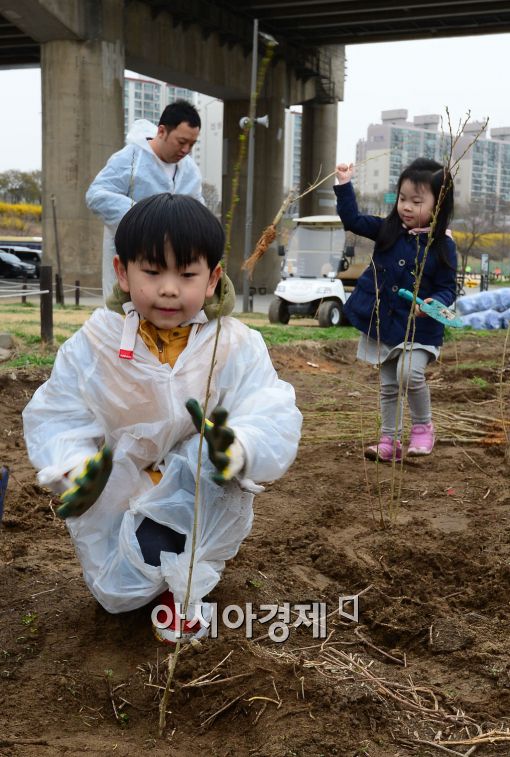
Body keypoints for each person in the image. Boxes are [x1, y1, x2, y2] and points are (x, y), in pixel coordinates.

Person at [23, 193, 302, 644]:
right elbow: (60, 411)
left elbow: (269, 407)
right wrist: (75, 467)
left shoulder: (233, 345)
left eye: (187, 274)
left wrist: (238, 445)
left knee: (200, 463)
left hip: (199, 493)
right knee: (119, 595)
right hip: (123, 486)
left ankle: (183, 587)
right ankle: (147, 565)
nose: (169, 289)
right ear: (122, 272)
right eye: (152, 272)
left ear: (212, 279)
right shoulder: (97, 344)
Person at [335, 158, 457, 461]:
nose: (406, 206)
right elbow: (352, 220)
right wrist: (344, 184)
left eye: (417, 201)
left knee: (409, 373)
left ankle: (422, 428)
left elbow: (448, 287)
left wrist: (433, 304)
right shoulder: (388, 230)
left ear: (438, 205)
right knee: (389, 384)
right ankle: (389, 441)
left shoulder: (442, 245)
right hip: (386, 325)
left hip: (421, 328)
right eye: (403, 198)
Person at [86, 100, 204, 299]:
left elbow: (198, 212)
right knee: (125, 314)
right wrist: (144, 217)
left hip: (173, 264)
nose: (186, 150)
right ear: (162, 131)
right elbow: (96, 195)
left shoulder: (189, 169)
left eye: (191, 145)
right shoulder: (130, 159)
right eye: (181, 142)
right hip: (129, 256)